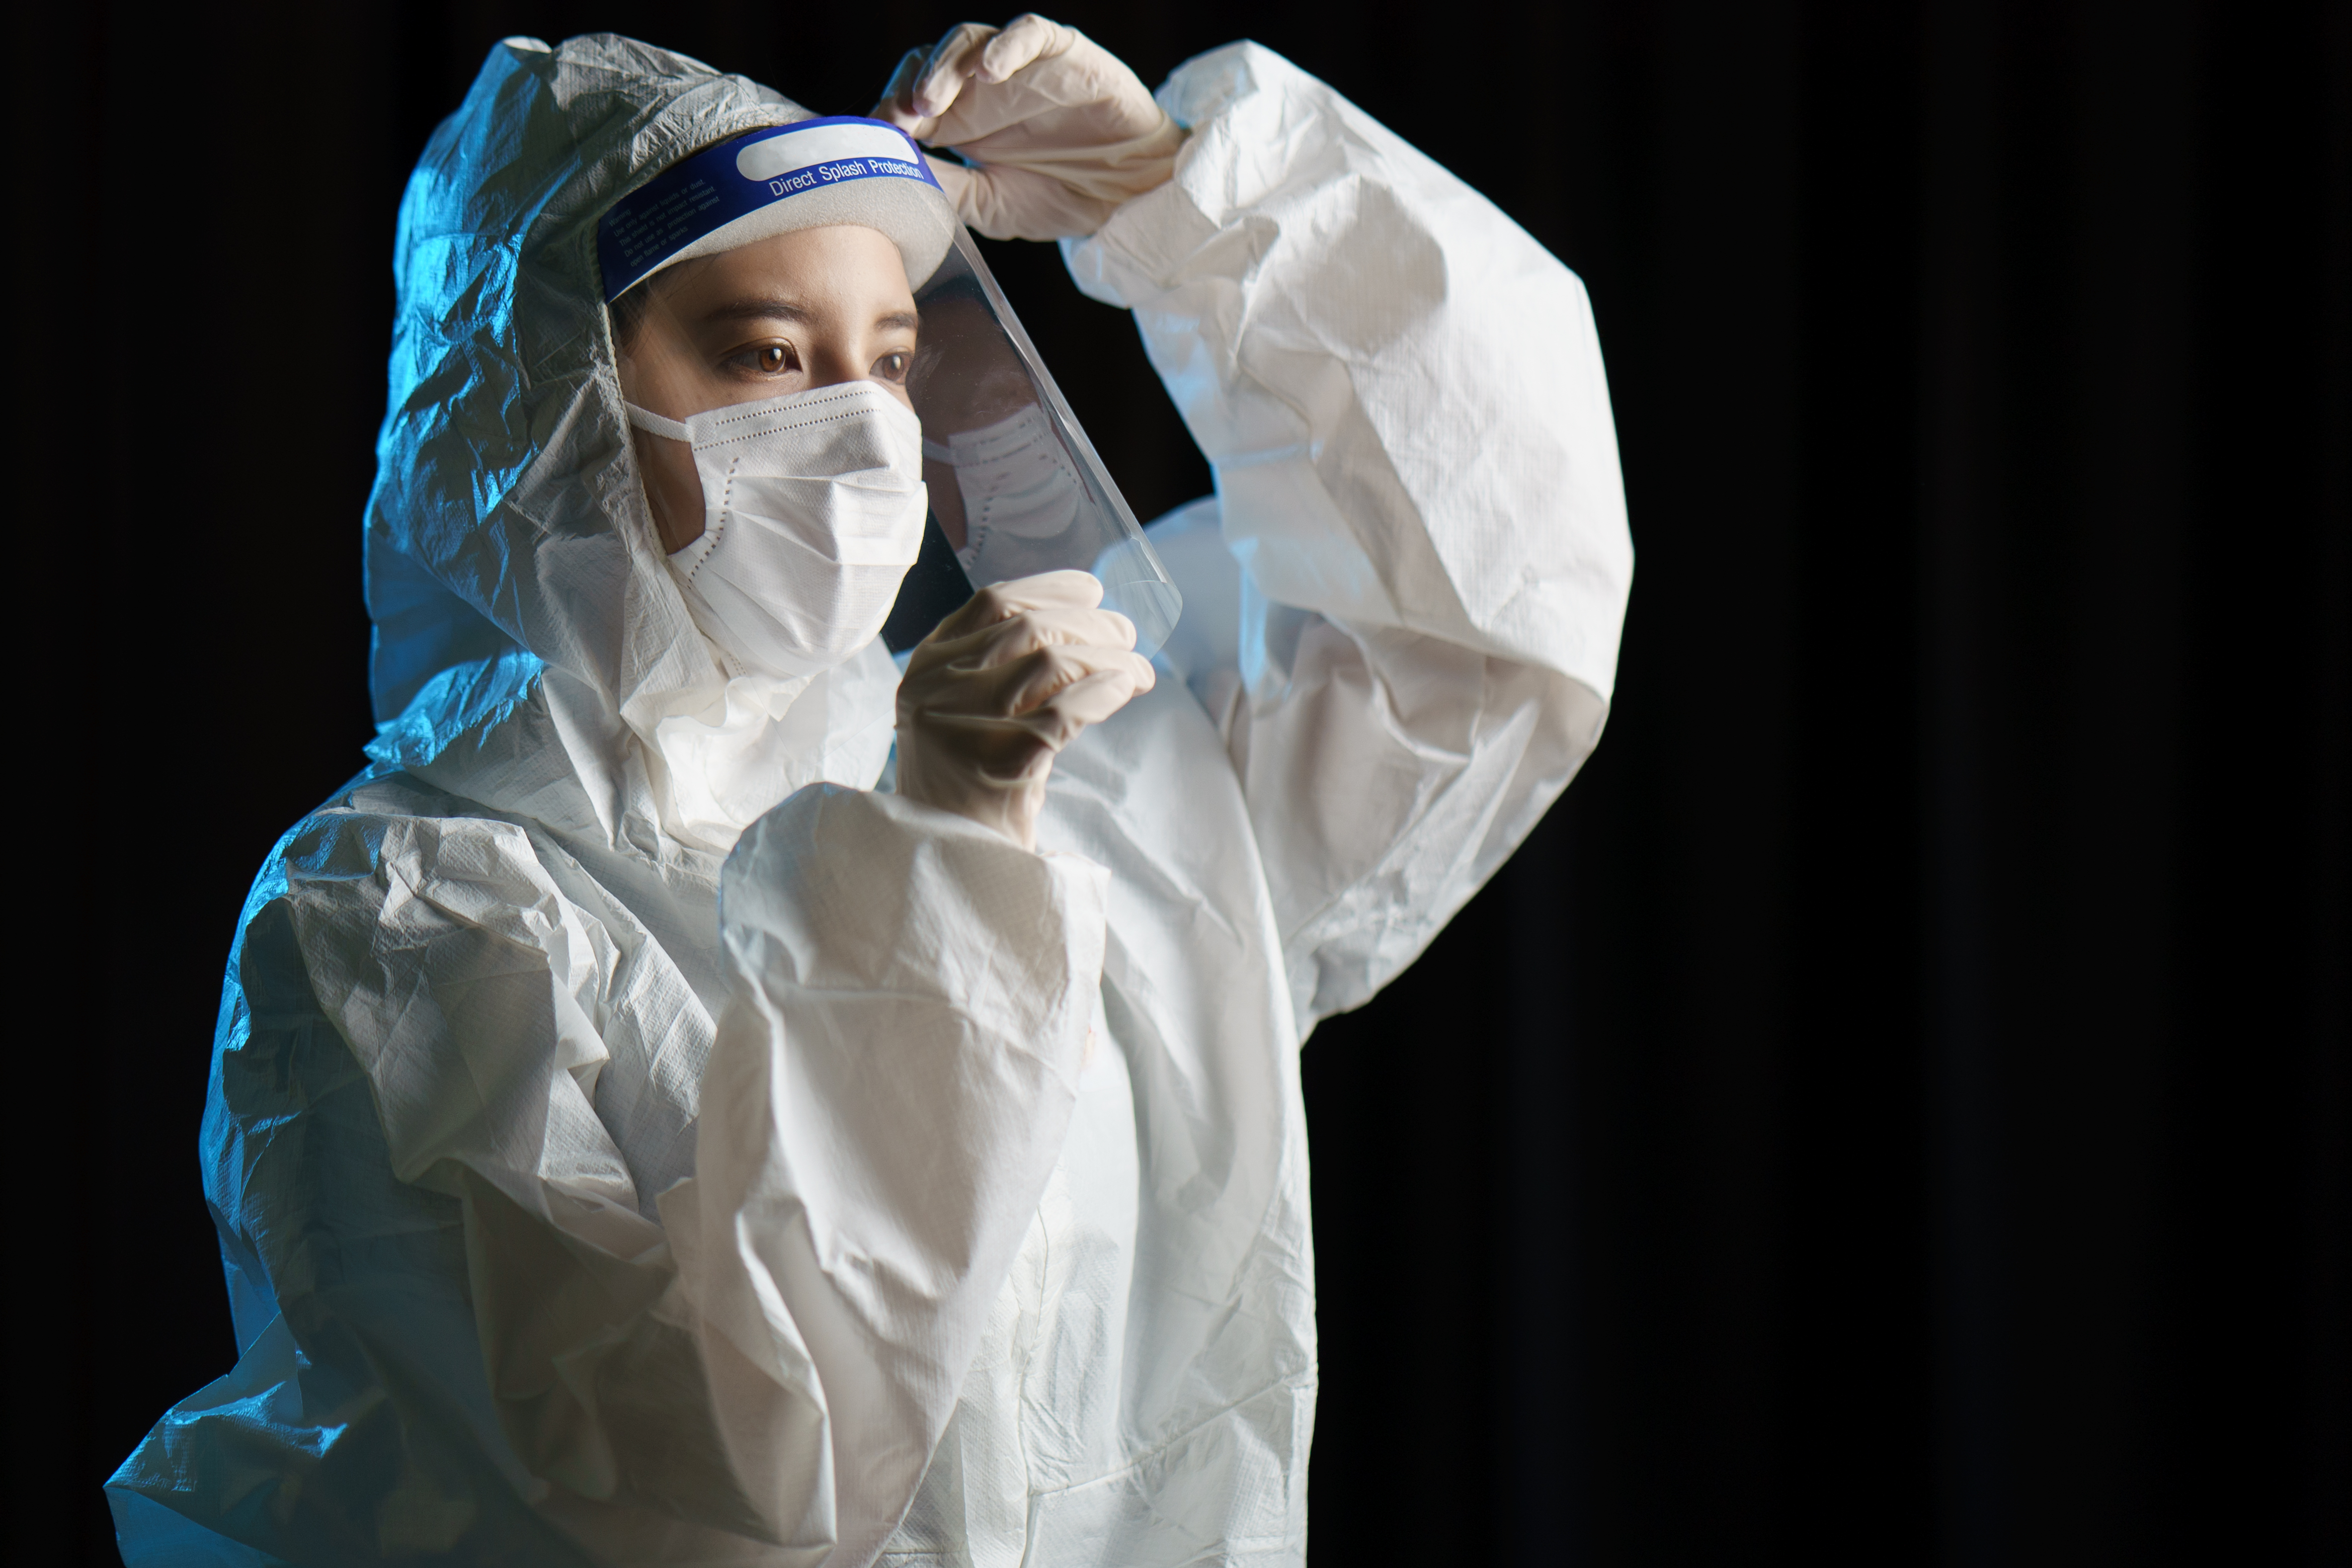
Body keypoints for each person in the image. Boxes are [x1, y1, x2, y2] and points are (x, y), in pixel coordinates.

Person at [107, 15, 1632, 1566]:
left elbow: (1494, 611)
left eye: (892, 359)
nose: (859, 430)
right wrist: (940, 870)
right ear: (539, 397)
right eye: (768, 354)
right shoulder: (400, 919)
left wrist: (1178, 197)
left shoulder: (1078, 784)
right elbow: (693, 1487)